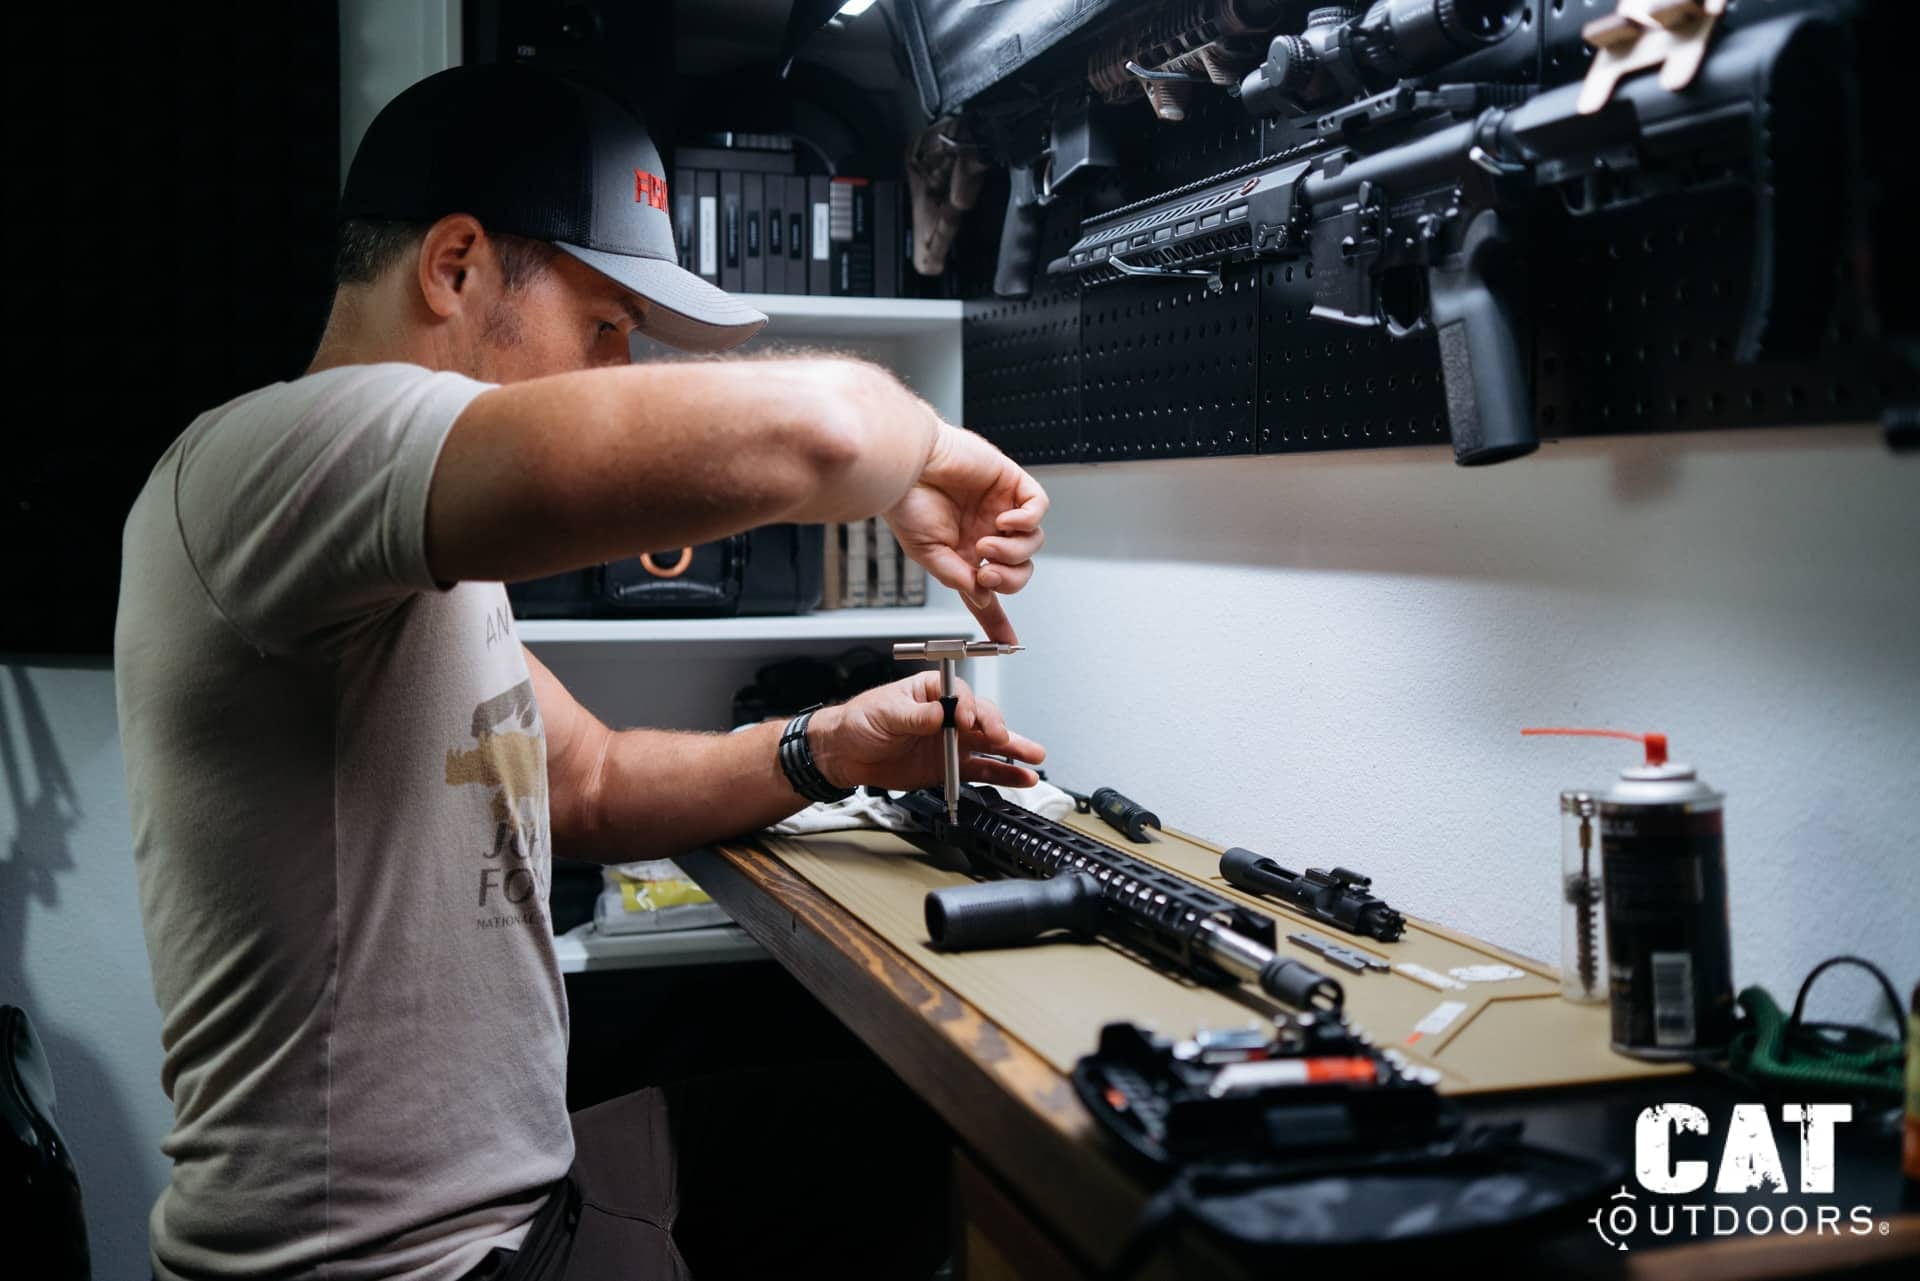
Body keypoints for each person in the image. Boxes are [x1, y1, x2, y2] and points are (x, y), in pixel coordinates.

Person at [114, 62, 1049, 1280]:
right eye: (603, 323)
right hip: (401, 1267)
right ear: (453, 266)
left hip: (526, 1195)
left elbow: (590, 782)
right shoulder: (276, 457)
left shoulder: (403, 548)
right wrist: (923, 445)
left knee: (944, 1157)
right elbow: (825, 432)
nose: (613, 370)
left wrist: (826, 745)